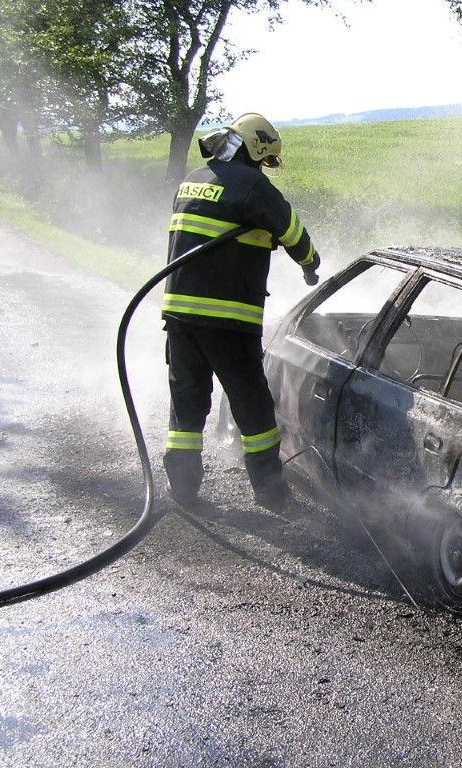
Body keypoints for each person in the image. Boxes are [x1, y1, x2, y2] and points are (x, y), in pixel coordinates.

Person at [161, 112, 320, 511]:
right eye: (265, 159)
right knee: (252, 407)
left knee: (186, 404)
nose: (265, 168)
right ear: (256, 148)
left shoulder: (193, 180)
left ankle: (182, 490)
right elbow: (292, 230)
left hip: (180, 316)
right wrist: (310, 263)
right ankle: (271, 493)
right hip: (228, 320)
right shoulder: (251, 187)